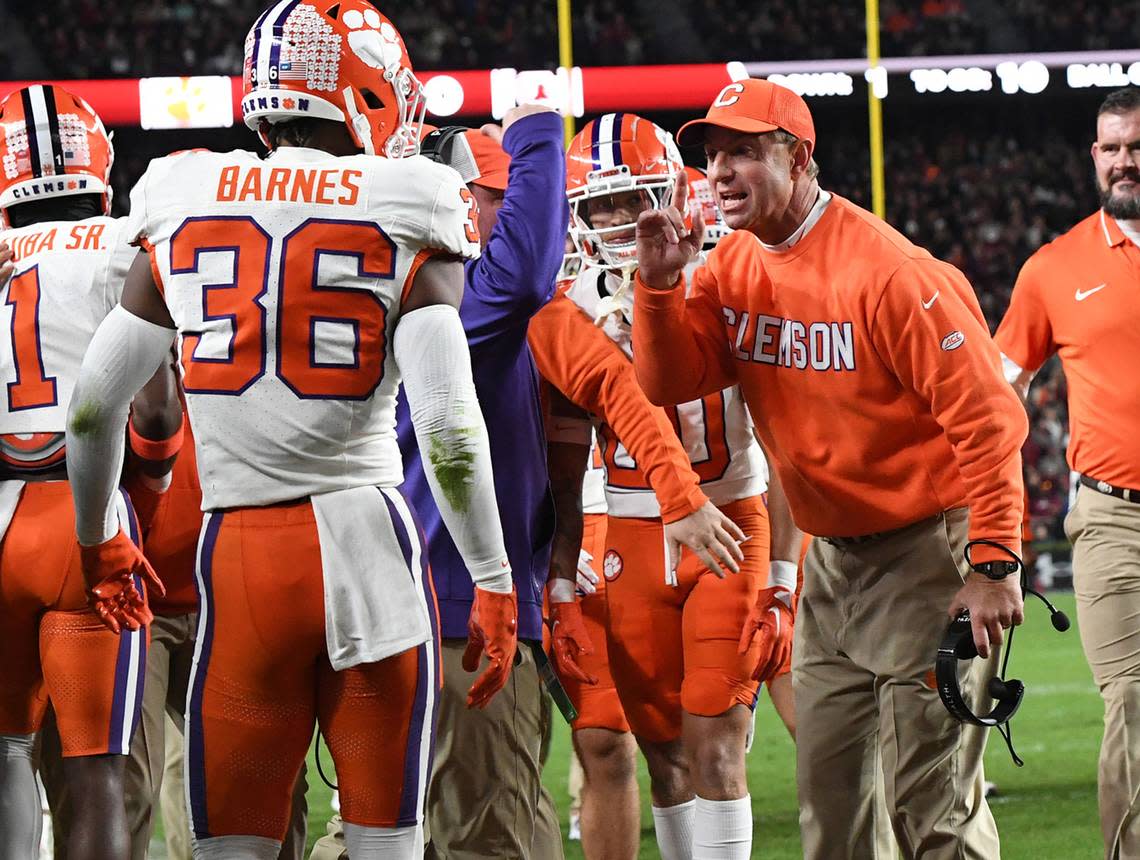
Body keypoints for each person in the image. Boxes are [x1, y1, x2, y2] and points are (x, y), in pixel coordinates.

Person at [63, 4, 518, 858]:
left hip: (239, 557)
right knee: (387, 840)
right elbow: (449, 427)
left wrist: (98, 542)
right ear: (365, 88)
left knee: (234, 844)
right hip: (369, 547)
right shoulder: (408, 198)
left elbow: (92, 408)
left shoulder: (183, 191)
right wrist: (492, 576)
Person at [630, 79, 1028, 859]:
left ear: (799, 157)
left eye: (743, 151)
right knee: (833, 812)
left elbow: (991, 423)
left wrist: (993, 561)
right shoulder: (732, 264)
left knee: (933, 807)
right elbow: (669, 382)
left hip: (927, 553)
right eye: (713, 156)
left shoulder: (889, 272)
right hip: (830, 564)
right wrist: (660, 288)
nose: (720, 171)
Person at [530, 112, 801, 860]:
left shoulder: (734, 273)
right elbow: (564, 453)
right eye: (599, 205)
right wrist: (557, 573)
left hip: (729, 518)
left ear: (673, 193)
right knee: (662, 754)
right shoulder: (568, 305)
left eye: (633, 199)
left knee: (718, 742)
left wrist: (782, 576)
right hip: (627, 533)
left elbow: (785, 444)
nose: (618, 219)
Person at [0, 83, 180, 860]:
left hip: (2, 515)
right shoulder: (123, 245)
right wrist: (143, 492)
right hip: (90, 519)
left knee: (6, 754)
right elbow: (158, 415)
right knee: (98, 766)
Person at [995, 86, 1140, 859]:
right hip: (1115, 519)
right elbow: (996, 391)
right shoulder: (1054, 268)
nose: (1126, 161)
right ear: (1094, 156)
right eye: (1113, 147)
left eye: (1137, 147)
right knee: (1135, 703)